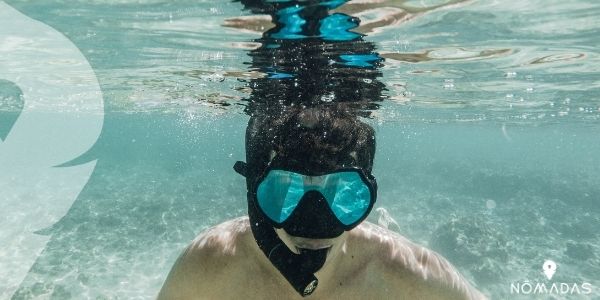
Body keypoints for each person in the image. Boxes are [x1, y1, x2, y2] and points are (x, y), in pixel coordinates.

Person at [158, 107, 487, 299]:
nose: (314, 224)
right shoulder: (210, 265)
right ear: (255, 193)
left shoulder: (403, 271)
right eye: (285, 191)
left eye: (342, 195)